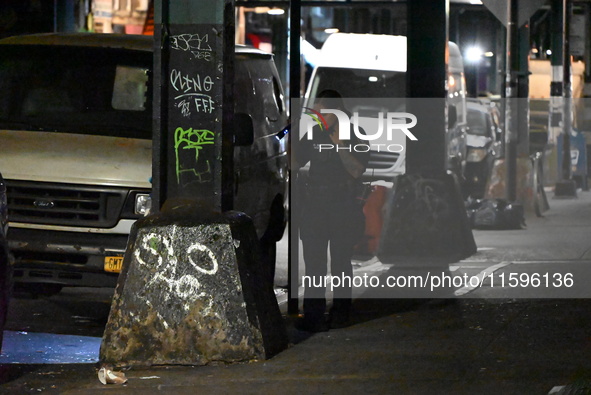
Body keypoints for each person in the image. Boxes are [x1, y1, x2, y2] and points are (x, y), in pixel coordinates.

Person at [292, 90, 369, 332]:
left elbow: (357, 170)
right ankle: (313, 314)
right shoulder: (315, 133)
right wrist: (291, 138)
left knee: (340, 262)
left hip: (342, 206)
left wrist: (340, 147)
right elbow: (295, 164)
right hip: (315, 205)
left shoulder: (356, 133)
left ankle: (341, 312)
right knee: (314, 262)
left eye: (321, 108)